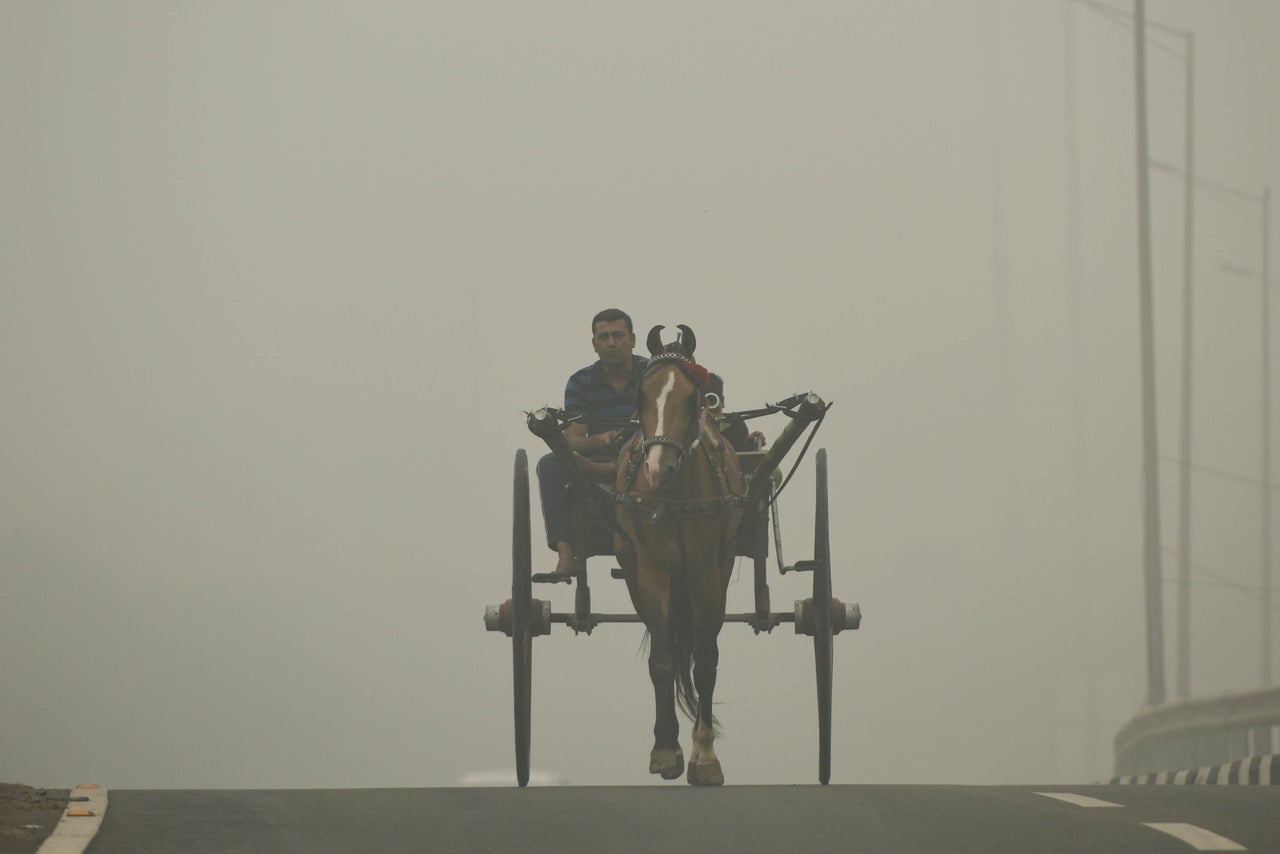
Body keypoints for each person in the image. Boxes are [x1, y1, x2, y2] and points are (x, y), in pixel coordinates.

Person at [536, 308, 648, 578]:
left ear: (632, 340)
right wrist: (598, 440)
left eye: (618, 335)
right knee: (549, 465)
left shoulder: (652, 374)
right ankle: (566, 554)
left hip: (646, 458)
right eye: (604, 337)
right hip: (597, 459)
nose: (611, 343)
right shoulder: (581, 381)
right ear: (594, 344)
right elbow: (573, 439)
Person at [706, 373, 766, 452]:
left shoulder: (735, 424)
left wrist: (750, 445)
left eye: (713, 402)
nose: (710, 415)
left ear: (722, 401)